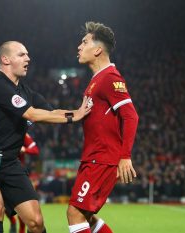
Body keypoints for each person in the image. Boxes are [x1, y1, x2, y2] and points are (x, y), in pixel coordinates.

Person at [0, 40, 92, 233]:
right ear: (5, 59)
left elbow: (52, 112)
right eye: (21, 55)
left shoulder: (26, 92)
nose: (28, 58)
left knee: (35, 221)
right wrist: (74, 116)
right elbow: (32, 114)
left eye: (27, 55)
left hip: (9, 164)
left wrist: (76, 113)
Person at [66, 22, 139, 233]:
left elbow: (131, 115)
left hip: (102, 157)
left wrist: (125, 156)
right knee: (87, 217)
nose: (79, 47)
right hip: (93, 156)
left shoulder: (110, 77)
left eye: (84, 42)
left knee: (75, 214)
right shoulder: (96, 80)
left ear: (98, 49)